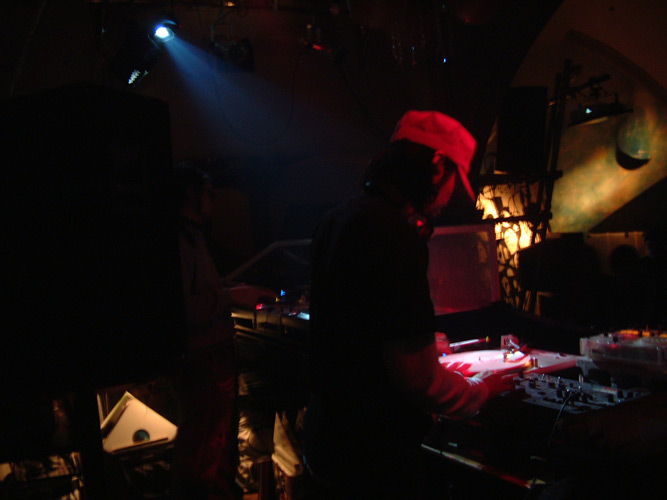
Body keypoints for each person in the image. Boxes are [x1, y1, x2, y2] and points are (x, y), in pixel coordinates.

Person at [303, 110, 514, 499]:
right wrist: (480, 391)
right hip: (374, 459)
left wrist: (423, 344)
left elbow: (360, 331)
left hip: (327, 440)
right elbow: (419, 381)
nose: (448, 198)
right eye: (454, 180)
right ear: (437, 166)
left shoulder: (337, 218)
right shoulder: (393, 234)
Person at [170, 162, 275, 500]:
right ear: (190, 195)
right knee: (206, 446)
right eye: (209, 194)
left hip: (208, 356)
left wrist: (233, 291)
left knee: (215, 443)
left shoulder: (191, 236)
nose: (213, 201)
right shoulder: (181, 239)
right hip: (204, 359)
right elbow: (184, 309)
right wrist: (231, 297)